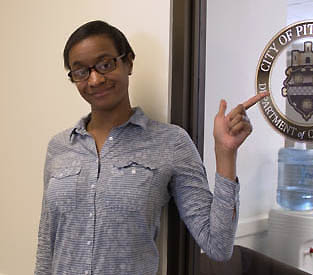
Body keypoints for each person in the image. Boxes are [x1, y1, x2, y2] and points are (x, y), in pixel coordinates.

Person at [35, 20, 268, 275]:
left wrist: (226, 154)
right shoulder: (59, 147)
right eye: (81, 71)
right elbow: (47, 243)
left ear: (129, 62)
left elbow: (218, 245)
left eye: (105, 64)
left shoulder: (170, 143)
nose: (95, 79)